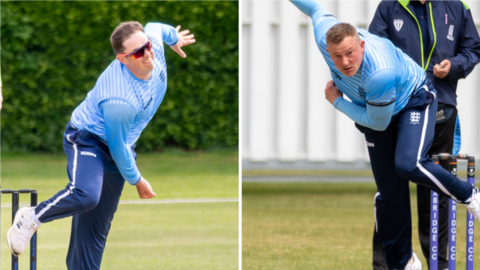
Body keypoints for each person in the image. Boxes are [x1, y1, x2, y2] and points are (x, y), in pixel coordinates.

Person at [288, 0, 480, 269]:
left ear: (362, 45)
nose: (344, 62)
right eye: (337, 56)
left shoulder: (379, 73)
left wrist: (338, 101)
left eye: (350, 53)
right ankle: (403, 263)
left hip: (414, 97)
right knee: (389, 194)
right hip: (378, 107)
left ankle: (469, 195)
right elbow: (313, 8)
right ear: (325, 48)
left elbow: (377, 123)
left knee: (408, 163)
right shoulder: (326, 35)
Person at [6, 21, 195, 269]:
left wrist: (173, 38)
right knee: (85, 195)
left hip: (120, 144)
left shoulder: (153, 47)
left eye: (147, 46)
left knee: (95, 229)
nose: (147, 53)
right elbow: (118, 147)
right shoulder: (119, 99)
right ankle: (30, 219)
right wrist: (137, 180)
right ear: (122, 59)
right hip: (88, 138)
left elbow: (156, 28)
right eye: (138, 52)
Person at [368, 0, 480, 269]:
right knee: (391, 187)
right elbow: (372, 52)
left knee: (435, 187)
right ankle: (388, 263)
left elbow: (473, 49)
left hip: (441, 105)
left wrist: (452, 66)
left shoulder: (457, 7)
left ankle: (438, 264)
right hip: (397, 107)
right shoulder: (389, 7)